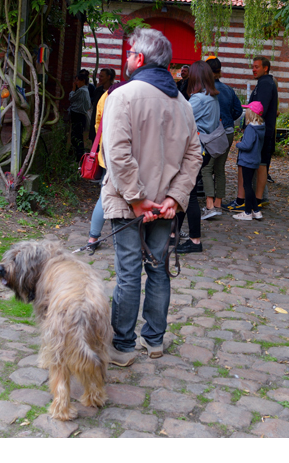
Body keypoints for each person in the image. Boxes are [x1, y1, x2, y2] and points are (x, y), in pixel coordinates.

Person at [100, 27, 202, 367]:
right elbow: (194, 157)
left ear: (140, 59)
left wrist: (135, 199)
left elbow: (116, 154)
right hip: (164, 206)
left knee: (129, 272)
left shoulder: (122, 96)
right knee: (157, 269)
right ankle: (154, 341)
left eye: (130, 54)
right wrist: (173, 198)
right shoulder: (183, 105)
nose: (127, 59)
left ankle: (123, 346)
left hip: (135, 203)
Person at [175, 61, 221, 254]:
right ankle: (173, 234)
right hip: (204, 151)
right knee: (184, 193)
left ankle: (195, 240)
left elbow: (180, 123)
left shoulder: (198, 100)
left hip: (194, 152)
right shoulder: (212, 98)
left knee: (189, 196)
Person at [224, 56, 277, 212]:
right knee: (261, 165)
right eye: (252, 67)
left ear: (265, 68)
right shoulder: (265, 83)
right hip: (263, 131)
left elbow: (260, 109)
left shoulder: (266, 84)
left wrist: (249, 129)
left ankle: (242, 200)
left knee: (245, 163)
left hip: (258, 131)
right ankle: (257, 201)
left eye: (256, 67)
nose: (253, 69)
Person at [85, 76, 125, 251]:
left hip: (107, 153)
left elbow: (97, 122)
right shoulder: (137, 93)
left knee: (105, 194)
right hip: (129, 153)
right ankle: (128, 240)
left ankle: (93, 238)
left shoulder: (108, 93)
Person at [201, 57, 242, 218]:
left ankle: (209, 205)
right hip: (228, 132)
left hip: (212, 133)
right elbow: (238, 110)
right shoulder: (228, 89)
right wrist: (227, 119)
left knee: (206, 168)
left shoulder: (205, 90)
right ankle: (218, 203)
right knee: (219, 169)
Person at [232, 102, 266, 221]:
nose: (245, 113)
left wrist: (238, 144)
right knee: (249, 185)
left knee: (247, 186)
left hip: (247, 160)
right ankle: (256, 211)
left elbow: (247, 145)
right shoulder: (261, 126)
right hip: (255, 159)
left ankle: (247, 212)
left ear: (251, 113)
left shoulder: (251, 128)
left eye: (247, 110)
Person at [69, 70, 92, 162]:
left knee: (76, 136)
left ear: (82, 81)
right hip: (81, 115)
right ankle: (79, 156)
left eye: (77, 81)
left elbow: (71, 98)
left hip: (77, 115)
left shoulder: (81, 90)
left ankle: (79, 157)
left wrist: (73, 89)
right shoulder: (86, 90)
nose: (76, 83)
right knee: (78, 135)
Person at [89, 68, 114, 140]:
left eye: (102, 76)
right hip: (97, 123)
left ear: (108, 77)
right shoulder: (97, 90)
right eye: (99, 76)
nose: (99, 78)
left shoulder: (113, 91)